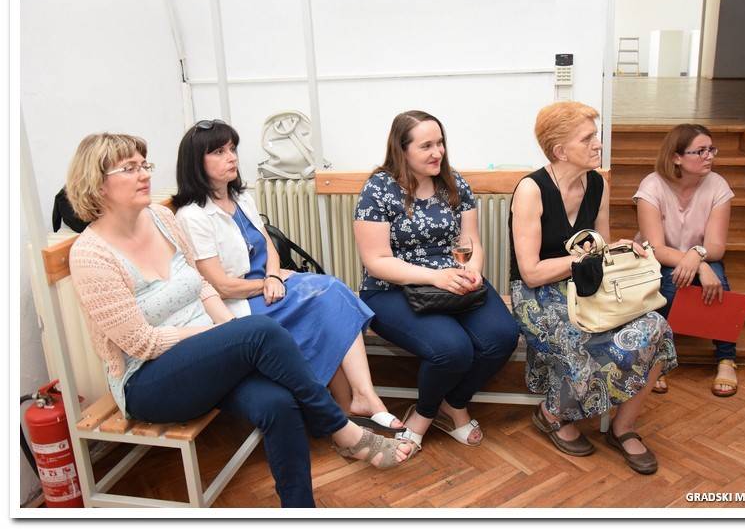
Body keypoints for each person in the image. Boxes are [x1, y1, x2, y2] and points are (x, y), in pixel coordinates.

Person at [65, 133, 411, 508]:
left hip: (204, 357)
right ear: (97, 183)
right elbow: (142, 343)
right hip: (148, 381)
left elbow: (200, 285)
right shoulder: (91, 254)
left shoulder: (161, 219)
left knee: (279, 403)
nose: (144, 174)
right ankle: (342, 429)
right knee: (258, 330)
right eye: (129, 168)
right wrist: (224, 334)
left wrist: (224, 333)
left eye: (144, 165)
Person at [172, 120, 403, 433]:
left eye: (232, 149)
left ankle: (356, 400)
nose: (232, 157)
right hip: (240, 305)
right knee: (327, 299)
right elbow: (220, 286)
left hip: (270, 287)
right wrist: (267, 283)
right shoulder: (192, 216)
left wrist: (274, 276)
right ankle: (357, 399)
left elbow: (268, 244)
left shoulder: (242, 198)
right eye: (219, 152)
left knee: (332, 292)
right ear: (196, 163)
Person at [509, 101, 677, 475]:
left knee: (658, 328)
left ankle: (623, 427)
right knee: (583, 338)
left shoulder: (597, 183)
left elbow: (599, 246)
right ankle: (552, 412)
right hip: (538, 295)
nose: (598, 144)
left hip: (587, 288)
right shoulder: (531, 190)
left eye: (595, 136)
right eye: (587, 138)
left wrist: (620, 248)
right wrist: (581, 261)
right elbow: (531, 272)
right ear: (560, 150)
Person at [353, 110, 520, 458]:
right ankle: (423, 417)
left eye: (440, 143)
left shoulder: (454, 182)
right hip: (392, 289)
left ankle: (451, 403)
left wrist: (472, 270)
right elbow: (377, 261)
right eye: (426, 146)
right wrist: (435, 276)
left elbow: (471, 242)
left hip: (452, 281)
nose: (437, 152)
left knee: (502, 337)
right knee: (452, 349)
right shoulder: (379, 188)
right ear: (402, 150)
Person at [633, 123, 737, 397]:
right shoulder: (652, 185)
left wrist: (698, 256)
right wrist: (697, 263)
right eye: (700, 151)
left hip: (701, 253)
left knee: (719, 281)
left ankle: (726, 359)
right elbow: (655, 248)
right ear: (676, 157)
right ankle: (657, 359)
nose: (709, 156)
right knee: (671, 283)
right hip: (659, 257)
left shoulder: (717, 185)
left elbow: (716, 246)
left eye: (711, 149)